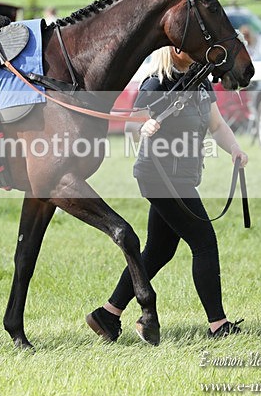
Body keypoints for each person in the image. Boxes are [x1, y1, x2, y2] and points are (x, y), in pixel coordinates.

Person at [86, 45, 249, 342]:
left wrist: (235, 149)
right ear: (174, 49)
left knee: (159, 251)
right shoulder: (155, 84)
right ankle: (218, 325)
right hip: (160, 176)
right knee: (204, 243)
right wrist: (144, 126)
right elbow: (131, 125)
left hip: (182, 176)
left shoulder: (200, 82)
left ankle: (108, 314)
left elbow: (216, 125)